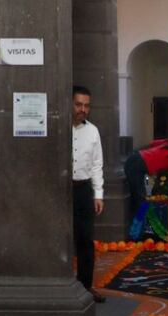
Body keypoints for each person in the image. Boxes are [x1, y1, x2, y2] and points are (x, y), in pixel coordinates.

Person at [71, 85, 106, 303]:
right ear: (70, 104)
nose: (83, 109)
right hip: (60, 190)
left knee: (85, 239)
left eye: (86, 106)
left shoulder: (93, 131)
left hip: (83, 190)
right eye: (78, 104)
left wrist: (98, 194)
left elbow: (96, 164)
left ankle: (85, 285)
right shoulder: (58, 128)